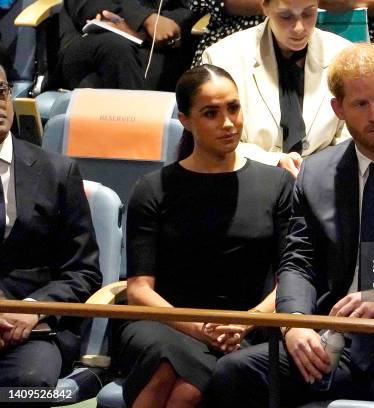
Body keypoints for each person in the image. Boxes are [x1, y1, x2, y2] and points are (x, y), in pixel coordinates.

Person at [207, 43, 374, 408]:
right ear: (339, 109)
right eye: (360, 104)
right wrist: (295, 323)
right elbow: (297, 262)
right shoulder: (316, 173)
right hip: (334, 335)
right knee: (234, 372)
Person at [112, 64, 293, 408]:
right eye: (211, 113)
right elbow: (138, 290)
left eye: (233, 108)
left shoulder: (277, 185)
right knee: (164, 368)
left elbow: (290, 279)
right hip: (165, 322)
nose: (227, 123)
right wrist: (199, 328)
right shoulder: (153, 189)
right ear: (186, 120)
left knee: (188, 392)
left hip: (249, 326)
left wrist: (247, 321)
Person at [0, 64, 102, 391]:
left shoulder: (56, 172)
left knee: (29, 382)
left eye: (1, 91)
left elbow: (83, 271)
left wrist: (33, 310)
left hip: (33, 331)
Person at [195, 0, 353, 178]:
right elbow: (213, 139)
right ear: (264, 7)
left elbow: (353, 132)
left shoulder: (345, 54)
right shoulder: (222, 57)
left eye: (309, 14)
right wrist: (273, 161)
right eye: (286, 16)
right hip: (249, 179)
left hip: (326, 178)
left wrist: (316, 169)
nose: (299, 27)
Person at [189, 0, 374, 67]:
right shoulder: (223, 54)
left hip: (356, 45)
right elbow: (198, 2)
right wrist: (281, 5)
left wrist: (360, 1)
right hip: (250, 45)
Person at [48, 0, 197, 92]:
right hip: (87, 42)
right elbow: (88, 4)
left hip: (152, 46)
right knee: (115, 47)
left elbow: (193, 10)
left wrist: (147, 29)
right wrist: (144, 19)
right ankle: (140, 134)